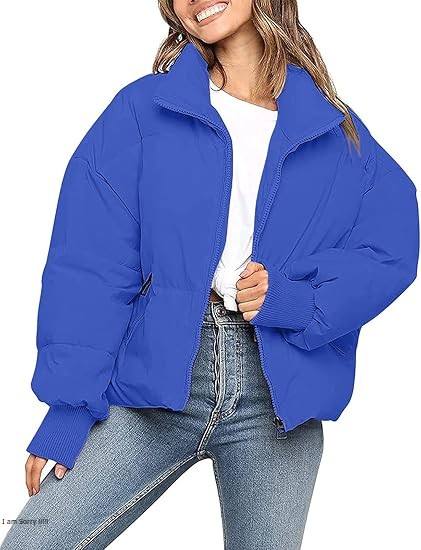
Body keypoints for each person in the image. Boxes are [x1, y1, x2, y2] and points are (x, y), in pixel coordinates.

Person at [1, 1, 419, 549]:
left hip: (279, 396)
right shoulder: (144, 110)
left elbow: (391, 245)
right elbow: (90, 265)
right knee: (32, 542)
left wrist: (296, 300)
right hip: (154, 376)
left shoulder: (333, 128)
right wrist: (68, 408)